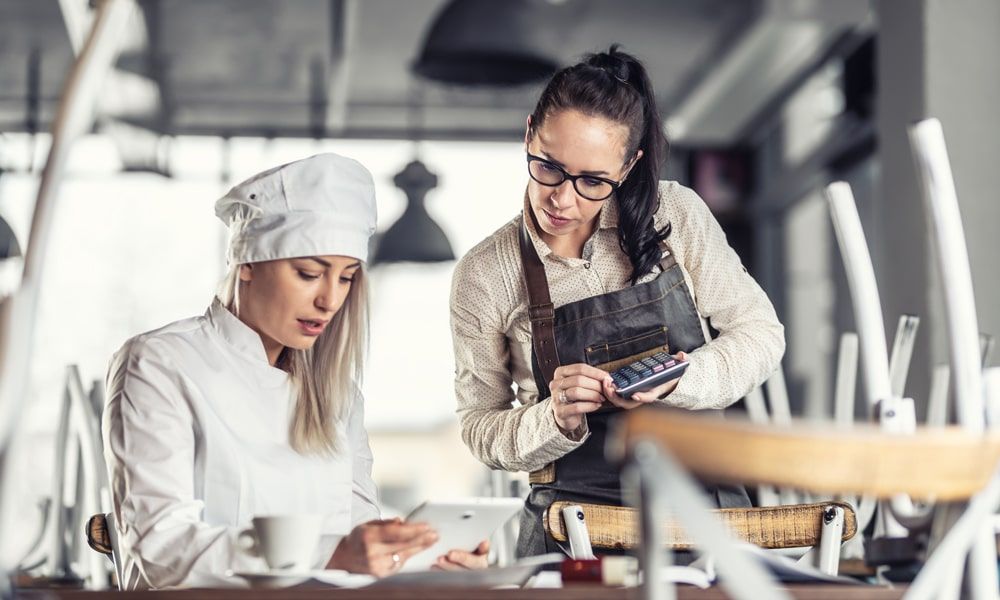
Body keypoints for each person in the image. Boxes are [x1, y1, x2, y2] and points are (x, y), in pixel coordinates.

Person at [449, 46, 786, 556]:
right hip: (570, 530)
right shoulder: (485, 274)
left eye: (592, 181)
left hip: (703, 518)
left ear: (628, 167)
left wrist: (682, 378)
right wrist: (554, 417)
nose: (563, 199)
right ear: (528, 135)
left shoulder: (674, 214)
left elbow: (761, 334)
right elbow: (479, 427)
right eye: (548, 167)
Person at [104, 153, 486, 590]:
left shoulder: (339, 395)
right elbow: (162, 550)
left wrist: (429, 560)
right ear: (245, 262)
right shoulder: (160, 363)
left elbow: (361, 544)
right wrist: (331, 554)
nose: (330, 300)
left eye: (346, 278)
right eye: (309, 273)